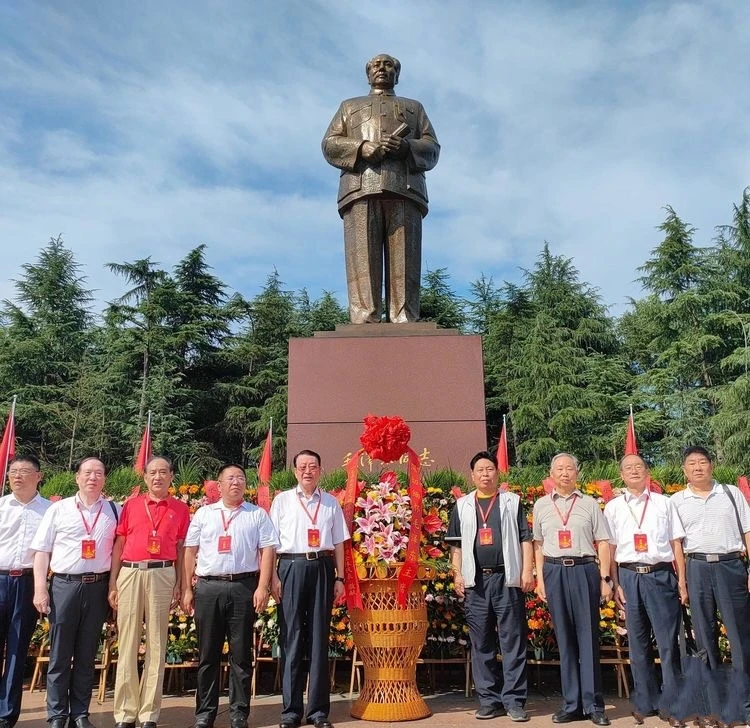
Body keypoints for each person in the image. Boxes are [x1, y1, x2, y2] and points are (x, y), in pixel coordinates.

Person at [322, 53, 440, 324]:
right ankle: (365, 317)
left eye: (389, 65)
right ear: (368, 73)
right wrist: (363, 148)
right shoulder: (349, 106)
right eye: (376, 65)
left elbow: (433, 148)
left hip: (406, 189)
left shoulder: (414, 108)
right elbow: (329, 144)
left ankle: (404, 316)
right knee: (362, 256)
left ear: (397, 74)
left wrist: (407, 147)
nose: (382, 69)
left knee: (406, 259)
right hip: (360, 187)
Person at [183, 464, 278, 728]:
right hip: (209, 587)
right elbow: (190, 551)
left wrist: (262, 586)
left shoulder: (256, 514)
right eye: (230, 478)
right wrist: (188, 588)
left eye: (240, 478)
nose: (235, 482)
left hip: (243, 587)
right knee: (207, 654)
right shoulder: (204, 514)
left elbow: (268, 550)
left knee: (241, 653)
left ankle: (239, 712)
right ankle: (205, 712)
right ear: (219, 485)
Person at [446, 451, 535, 721]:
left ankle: (515, 700)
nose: (485, 474)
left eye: (490, 469)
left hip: (507, 579)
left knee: (512, 642)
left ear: (497, 473)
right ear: (472, 475)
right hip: (476, 582)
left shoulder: (512, 502)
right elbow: (456, 546)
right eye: (480, 470)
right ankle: (488, 700)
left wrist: (527, 570)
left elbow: (525, 539)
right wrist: (457, 575)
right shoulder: (461, 505)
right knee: (481, 642)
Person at [31, 457, 118, 728]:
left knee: (86, 653)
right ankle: (57, 714)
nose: (93, 478)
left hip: (97, 587)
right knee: (60, 653)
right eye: (87, 473)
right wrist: (40, 588)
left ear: (105, 478)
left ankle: (80, 713)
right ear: (77, 477)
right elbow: (42, 551)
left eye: (99, 473)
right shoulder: (59, 510)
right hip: (64, 585)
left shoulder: (115, 510)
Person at [603, 454, 687, 726]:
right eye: (628, 468)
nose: (634, 471)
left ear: (647, 472)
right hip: (629, 577)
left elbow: (677, 545)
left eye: (639, 467)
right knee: (637, 644)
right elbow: (611, 549)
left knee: (668, 643)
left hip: (660, 575)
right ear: (622, 475)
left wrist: (681, 581)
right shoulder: (613, 507)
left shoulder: (665, 503)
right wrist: (615, 585)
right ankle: (646, 701)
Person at [670, 446, 750, 725]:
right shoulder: (677, 500)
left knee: (740, 637)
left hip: (731, 566)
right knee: (704, 638)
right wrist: (682, 580)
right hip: (697, 567)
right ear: (684, 470)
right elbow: (677, 544)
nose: (698, 467)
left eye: (702, 462)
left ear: (711, 466)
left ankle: (744, 703)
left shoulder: (730, 493)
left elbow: (748, 531)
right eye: (691, 463)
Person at [109, 456, 190, 728]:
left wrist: (180, 583)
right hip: (130, 572)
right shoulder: (131, 506)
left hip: (163, 573)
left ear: (171, 477)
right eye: (152, 472)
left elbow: (181, 549)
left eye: (163, 472)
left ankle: (149, 714)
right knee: (128, 641)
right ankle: (125, 712)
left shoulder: (180, 509)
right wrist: (113, 582)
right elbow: (119, 545)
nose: (158, 477)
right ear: (145, 478)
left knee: (157, 643)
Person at [270, 450, 349, 728]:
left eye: (313, 466)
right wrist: (272, 578)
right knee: (291, 637)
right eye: (302, 466)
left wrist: (340, 578)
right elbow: (270, 544)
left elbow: (339, 542)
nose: (307, 471)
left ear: (320, 470)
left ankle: (317, 711)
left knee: (318, 638)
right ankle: (291, 711)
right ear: (294, 472)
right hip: (290, 568)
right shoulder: (281, 501)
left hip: (322, 568)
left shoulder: (330, 503)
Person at [533, 453, 612, 726]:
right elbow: (538, 545)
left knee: (588, 637)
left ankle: (593, 705)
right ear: (551, 473)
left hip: (584, 570)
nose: (565, 473)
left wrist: (604, 578)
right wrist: (541, 580)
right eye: (559, 469)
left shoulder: (590, 504)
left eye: (570, 468)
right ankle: (571, 704)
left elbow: (602, 541)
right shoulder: (541, 505)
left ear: (577, 473)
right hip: (554, 571)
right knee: (564, 639)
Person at [0, 456, 50, 728]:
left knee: (18, 648)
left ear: (38, 476)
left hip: (29, 582)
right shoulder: (1, 506)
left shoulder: (49, 510)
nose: (17, 476)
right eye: (13, 472)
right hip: (0, 577)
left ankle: (6, 714)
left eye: (23, 471)